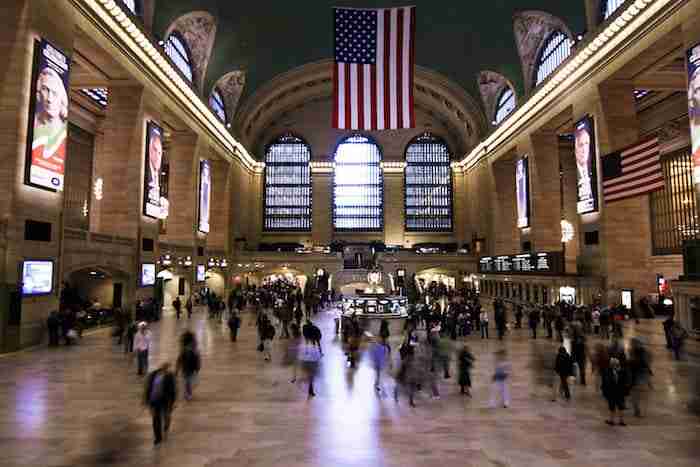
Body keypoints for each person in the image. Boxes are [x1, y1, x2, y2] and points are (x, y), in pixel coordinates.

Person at [144, 363, 177, 445]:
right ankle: (158, 437)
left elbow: (173, 390)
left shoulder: (170, 376)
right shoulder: (153, 374)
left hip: (165, 400)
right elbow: (148, 387)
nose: (165, 369)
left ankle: (166, 425)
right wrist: (147, 399)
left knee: (166, 415)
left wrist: (173, 402)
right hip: (154, 400)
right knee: (155, 419)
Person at [628, 337, 653, 417]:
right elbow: (647, 362)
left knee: (636, 393)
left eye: (633, 343)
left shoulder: (641, 352)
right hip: (636, 375)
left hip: (639, 374)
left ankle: (637, 409)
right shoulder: (634, 351)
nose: (632, 345)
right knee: (636, 393)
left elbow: (646, 362)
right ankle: (637, 409)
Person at [601, 357, 628, 426]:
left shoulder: (620, 371)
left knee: (617, 407)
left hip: (616, 392)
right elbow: (605, 382)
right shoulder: (609, 371)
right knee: (615, 407)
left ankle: (617, 420)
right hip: (615, 392)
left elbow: (605, 382)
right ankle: (616, 420)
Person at [176, 332, 201, 401]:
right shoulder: (185, 351)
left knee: (189, 382)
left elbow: (197, 360)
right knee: (187, 381)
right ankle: (188, 393)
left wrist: (197, 368)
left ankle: (187, 392)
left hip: (190, 369)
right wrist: (177, 369)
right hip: (186, 369)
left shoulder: (193, 351)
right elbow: (179, 360)